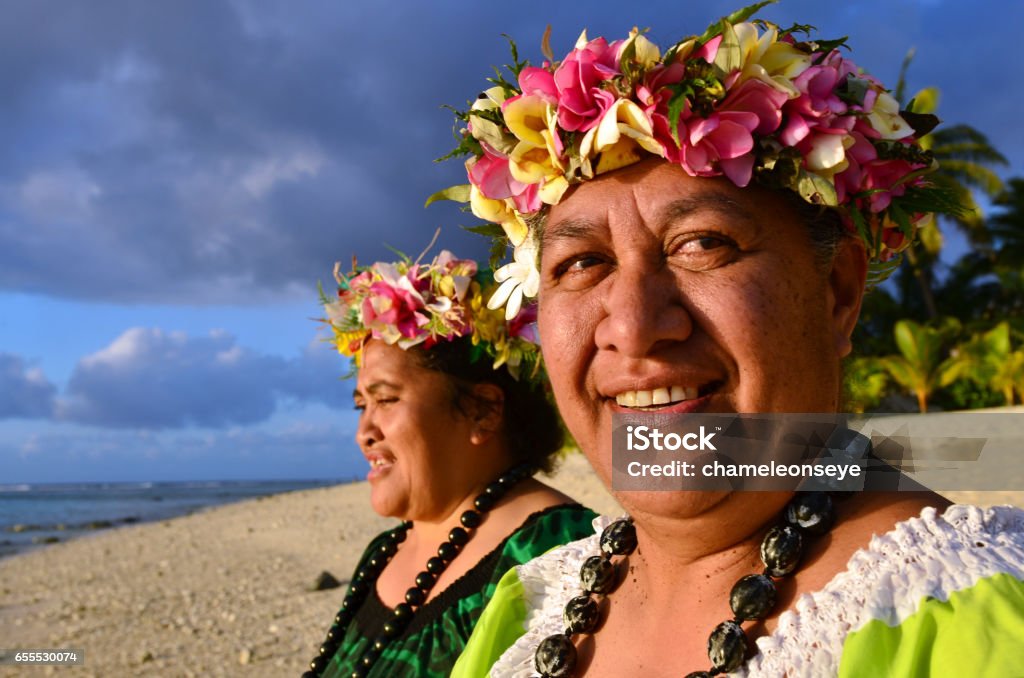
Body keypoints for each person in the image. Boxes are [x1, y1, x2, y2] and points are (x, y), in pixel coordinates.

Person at [433, 6, 1024, 676]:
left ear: (837, 294)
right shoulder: (528, 605)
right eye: (582, 263)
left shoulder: (973, 617)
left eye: (703, 245)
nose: (632, 326)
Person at [302, 249, 598, 678]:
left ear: (483, 411)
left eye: (386, 400)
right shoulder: (383, 552)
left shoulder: (559, 552)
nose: (364, 431)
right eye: (361, 405)